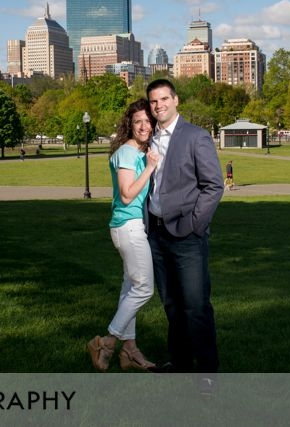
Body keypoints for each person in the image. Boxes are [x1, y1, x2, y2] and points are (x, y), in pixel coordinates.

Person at [145, 78, 224, 393]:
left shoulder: (195, 137)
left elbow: (213, 185)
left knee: (196, 306)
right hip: (157, 233)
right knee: (172, 305)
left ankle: (207, 374)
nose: (159, 105)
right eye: (154, 101)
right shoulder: (149, 138)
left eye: (164, 99)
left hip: (187, 235)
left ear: (175, 100)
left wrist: (195, 223)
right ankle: (179, 365)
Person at [87, 98, 161, 372]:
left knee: (130, 287)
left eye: (147, 121)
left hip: (129, 227)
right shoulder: (129, 153)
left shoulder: (138, 151)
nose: (143, 126)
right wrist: (151, 168)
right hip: (128, 226)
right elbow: (128, 195)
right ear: (129, 125)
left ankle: (129, 352)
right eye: (137, 121)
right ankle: (106, 342)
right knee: (143, 288)